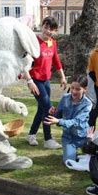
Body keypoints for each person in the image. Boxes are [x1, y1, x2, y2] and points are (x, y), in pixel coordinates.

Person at [23, 16, 67, 149]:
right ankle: (48, 139)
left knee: (42, 108)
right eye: (46, 27)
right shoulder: (34, 41)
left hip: (46, 80)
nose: (48, 31)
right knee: (48, 108)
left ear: (55, 31)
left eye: (51, 29)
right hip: (35, 80)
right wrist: (29, 81)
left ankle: (31, 134)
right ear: (42, 26)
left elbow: (56, 60)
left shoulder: (52, 43)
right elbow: (23, 62)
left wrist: (62, 77)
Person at [44, 75, 92, 166]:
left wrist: (59, 121)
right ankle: (74, 154)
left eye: (78, 89)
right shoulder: (65, 98)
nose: (74, 91)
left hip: (83, 137)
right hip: (68, 137)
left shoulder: (87, 104)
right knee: (69, 163)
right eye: (72, 88)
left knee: (94, 159)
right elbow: (58, 115)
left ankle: (83, 153)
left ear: (85, 89)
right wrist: (52, 113)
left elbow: (77, 121)